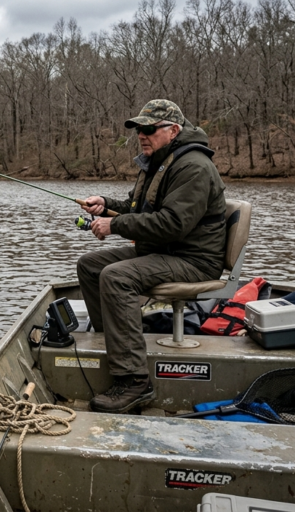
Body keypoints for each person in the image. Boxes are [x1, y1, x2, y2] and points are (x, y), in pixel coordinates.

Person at [77, 99, 226, 413]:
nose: (141, 135)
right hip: (164, 251)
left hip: (194, 260)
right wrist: (104, 204)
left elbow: (172, 224)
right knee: (90, 266)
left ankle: (134, 381)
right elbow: (136, 210)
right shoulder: (158, 162)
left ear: (173, 130)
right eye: (138, 129)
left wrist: (114, 224)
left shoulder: (193, 166)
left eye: (148, 129)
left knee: (117, 277)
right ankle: (115, 344)